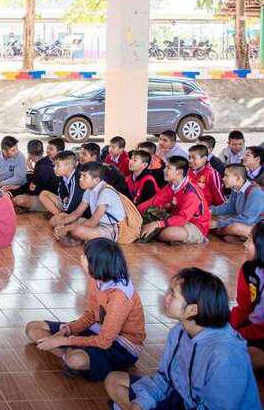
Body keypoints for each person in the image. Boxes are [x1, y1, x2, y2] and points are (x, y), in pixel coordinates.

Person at [105, 268, 260, 410]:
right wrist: (139, 404)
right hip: (184, 397)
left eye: (173, 294)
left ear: (193, 309)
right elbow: (164, 380)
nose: (166, 297)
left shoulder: (225, 353)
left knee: (120, 399)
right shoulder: (179, 331)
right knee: (114, 379)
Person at [26, 238, 145, 382]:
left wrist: (64, 340)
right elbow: (91, 315)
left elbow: (104, 341)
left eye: (86, 256)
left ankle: (70, 356)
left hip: (121, 346)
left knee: (75, 359)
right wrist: (66, 330)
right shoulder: (97, 278)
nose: (81, 257)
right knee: (33, 328)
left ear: (97, 263)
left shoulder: (119, 296)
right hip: (98, 330)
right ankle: (68, 355)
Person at [138, 156, 209, 245]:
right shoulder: (171, 186)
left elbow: (182, 218)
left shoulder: (191, 193)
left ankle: (199, 238)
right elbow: (154, 201)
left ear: (179, 172)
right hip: (176, 217)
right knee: (148, 215)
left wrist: (157, 224)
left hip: (195, 224)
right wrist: (136, 211)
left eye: (168, 168)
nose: (164, 170)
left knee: (168, 234)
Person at [53, 162, 125, 243]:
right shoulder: (89, 190)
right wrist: (60, 225)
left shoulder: (106, 192)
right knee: (56, 220)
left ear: (96, 180)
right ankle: (80, 238)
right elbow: (77, 213)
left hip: (111, 228)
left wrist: (66, 228)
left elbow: (93, 222)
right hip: (97, 224)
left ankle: (81, 239)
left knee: (76, 231)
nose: (80, 179)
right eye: (81, 176)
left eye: (84, 176)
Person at [230, 223, 264, 349]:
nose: (245, 244)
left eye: (250, 240)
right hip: (253, 326)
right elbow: (243, 307)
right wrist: (228, 328)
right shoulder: (248, 269)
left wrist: (238, 335)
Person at [210, 164, 264, 241]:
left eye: (226, 176)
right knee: (228, 236)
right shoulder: (236, 189)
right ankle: (239, 237)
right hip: (248, 224)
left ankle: (220, 232)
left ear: (238, 178)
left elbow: (246, 219)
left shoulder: (255, 193)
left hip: (258, 227)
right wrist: (210, 211)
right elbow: (229, 207)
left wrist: (218, 224)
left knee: (235, 227)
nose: (223, 179)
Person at [13, 137, 63, 212]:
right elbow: (37, 180)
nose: (48, 151)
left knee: (19, 199)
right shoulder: (46, 160)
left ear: (59, 152)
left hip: (50, 200)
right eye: (47, 148)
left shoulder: (47, 167)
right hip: (45, 194)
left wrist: (30, 170)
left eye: (51, 149)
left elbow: (33, 189)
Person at [41, 150, 87, 222]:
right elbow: (60, 192)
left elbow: (72, 206)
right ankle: (59, 216)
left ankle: (61, 217)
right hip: (67, 204)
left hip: (77, 211)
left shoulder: (76, 179)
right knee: (43, 194)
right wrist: (64, 198)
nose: (54, 168)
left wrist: (64, 204)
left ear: (70, 166)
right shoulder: (63, 176)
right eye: (55, 165)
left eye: (58, 166)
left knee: (53, 222)